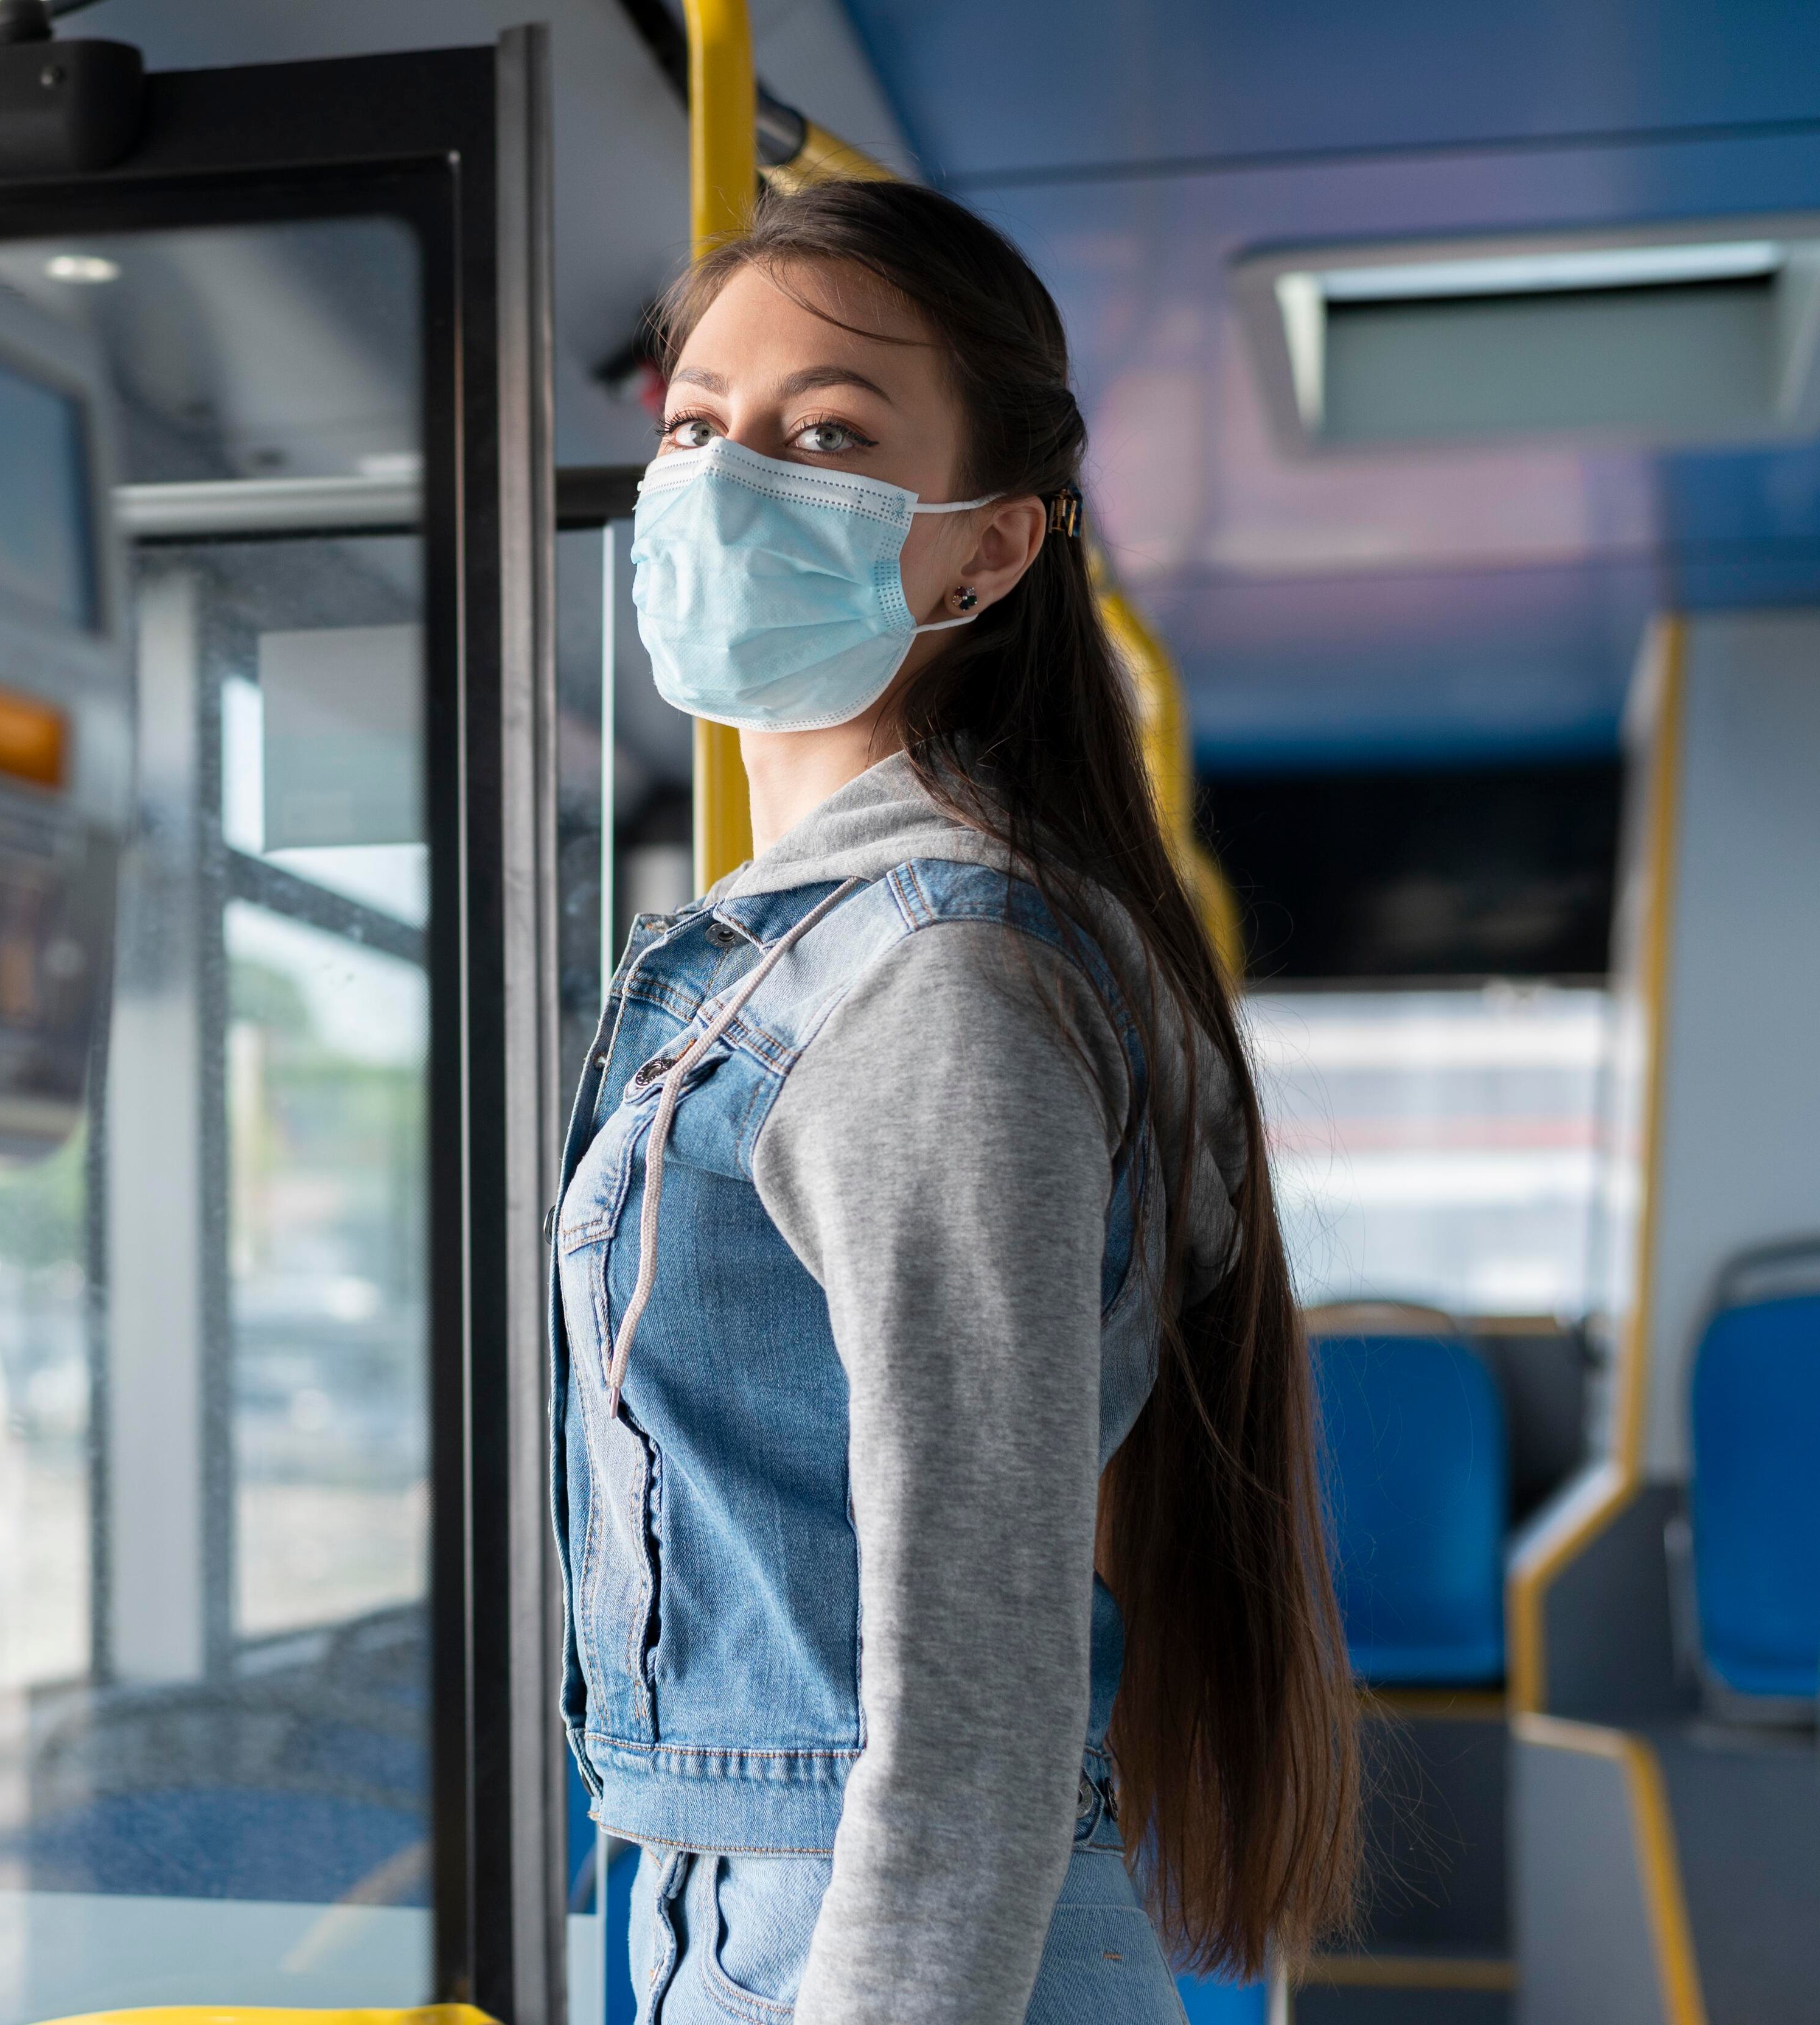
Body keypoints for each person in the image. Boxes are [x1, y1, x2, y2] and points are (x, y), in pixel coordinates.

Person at [551, 178, 1360, 2025]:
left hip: (867, 1948)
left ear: (985, 554)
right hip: (753, 1920)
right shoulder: (827, 943)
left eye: (826, 432)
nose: (726, 473)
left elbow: (970, 1683)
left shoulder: (935, 980)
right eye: (696, 426)